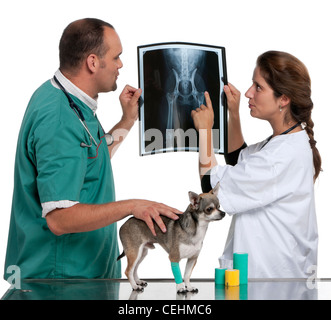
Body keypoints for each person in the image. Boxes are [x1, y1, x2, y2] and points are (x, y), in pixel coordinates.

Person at [4, 18, 181, 280]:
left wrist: (127, 121)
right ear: (93, 62)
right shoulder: (59, 119)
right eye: (116, 57)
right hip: (62, 281)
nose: (121, 65)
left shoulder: (66, 98)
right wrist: (133, 206)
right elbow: (59, 218)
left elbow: (91, 157)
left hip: (83, 273)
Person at [191, 51, 321, 278]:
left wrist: (205, 131)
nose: (249, 93)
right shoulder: (285, 143)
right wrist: (233, 113)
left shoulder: (279, 157)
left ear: (284, 99)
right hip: (274, 277)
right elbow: (238, 159)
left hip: (269, 281)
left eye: (258, 87)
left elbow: (208, 187)